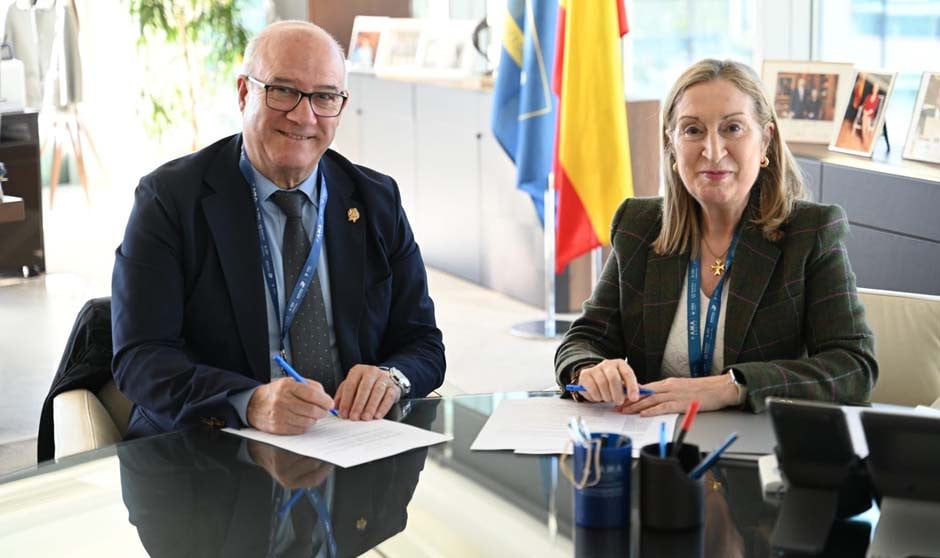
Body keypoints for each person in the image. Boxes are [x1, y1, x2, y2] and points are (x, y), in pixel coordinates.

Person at [111, 20, 445, 438]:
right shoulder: (169, 199)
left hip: (350, 442)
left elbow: (423, 342)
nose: (304, 116)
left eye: (324, 96)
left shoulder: (376, 200)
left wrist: (392, 377)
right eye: (283, 90)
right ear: (243, 93)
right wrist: (248, 402)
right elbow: (140, 357)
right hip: (211, 448)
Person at [554, 59, 876, 416]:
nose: (713, 150)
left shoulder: (810, 232)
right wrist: (588, 369)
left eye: (732, 128)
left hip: (755, 442)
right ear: (672, 144)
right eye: (692, 130)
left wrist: (732, 386)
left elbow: (854, 367)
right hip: (653, 439)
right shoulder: (638, 225)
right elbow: (585, 339)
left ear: (766, 140)